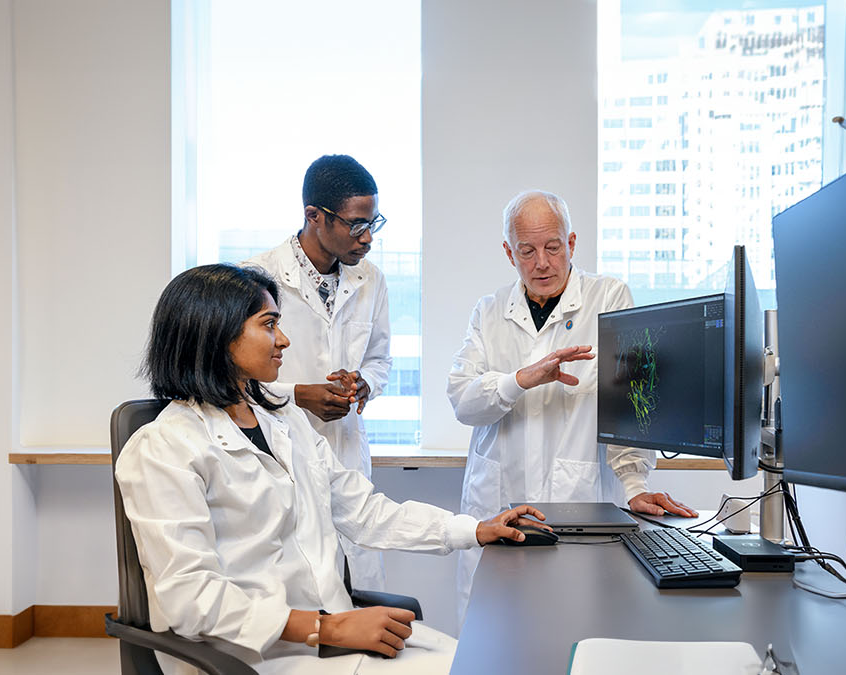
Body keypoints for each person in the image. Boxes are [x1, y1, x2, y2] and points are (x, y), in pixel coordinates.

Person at [117, 263, 547, 675]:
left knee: (492, 661)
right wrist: (325, 628)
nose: (283, 340)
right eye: (269, 324)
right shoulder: (163, 448)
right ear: (216, 336)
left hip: (331, 638)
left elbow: (364, 512)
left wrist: (473, 529)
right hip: (248, 656)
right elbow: (188, 597)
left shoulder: (283, 421)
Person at [446, 189, 697, 620]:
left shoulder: (609, 298)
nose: (541, 262)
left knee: (576, 627)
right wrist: (519, 380)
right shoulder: (488, 313)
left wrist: (635, 486)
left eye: (553, 247)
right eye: (527, 250)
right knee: (492, 636)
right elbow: (463, 402)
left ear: (572, 243)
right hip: (499, 507)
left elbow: (631, 401)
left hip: (581, 504)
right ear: (510, 253)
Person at [244, 154, 392, 591]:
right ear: (315, 216)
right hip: (279, 452)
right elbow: (231, 377)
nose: (368, 238)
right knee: (297, 587)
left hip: (346, 451)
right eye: (356, 224)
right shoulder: (258, 278)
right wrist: (298, 395)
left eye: (373, 223)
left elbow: (381, 360)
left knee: (357, 587)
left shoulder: (372, 280)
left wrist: (366, 382)